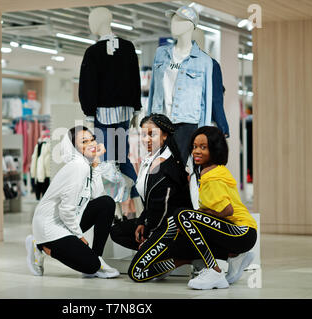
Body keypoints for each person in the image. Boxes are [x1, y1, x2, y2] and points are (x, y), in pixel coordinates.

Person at [128, 126, 257, 289]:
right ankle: (230, 257)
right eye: (195, 147)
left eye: (203, 147)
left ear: (215, 149)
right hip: (236, 233)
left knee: (183, 215)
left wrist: (197, 215)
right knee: (184, 221)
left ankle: (214, 271)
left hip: (242, 232)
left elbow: (227, 210)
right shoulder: (208, 172)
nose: (197, 151)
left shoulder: (212, 176)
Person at [26, 126, 119, 279]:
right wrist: (79, 236)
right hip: (50, 225)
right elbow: (66, 210)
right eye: (84, 142)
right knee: (90, 266)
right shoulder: (78, 167)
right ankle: (40, 246)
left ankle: (97, 258)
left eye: (92, 139)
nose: (91, 144)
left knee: (106, 203)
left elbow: (97, 194)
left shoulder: (85, 165)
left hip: (66, 220)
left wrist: (96, 165)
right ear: (74, 147)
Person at [110, 113, 192, 251]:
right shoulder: (150, 159)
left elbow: (164, 209)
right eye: (143, 135)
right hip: (155, 220)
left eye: (151, 134)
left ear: (165, 135)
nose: (146, 139)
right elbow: (149, 203)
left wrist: (150, 232)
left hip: (170, 227)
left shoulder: (166, 165)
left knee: (136, 271)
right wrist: (142, 221)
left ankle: (167, 251)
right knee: (117, 231)